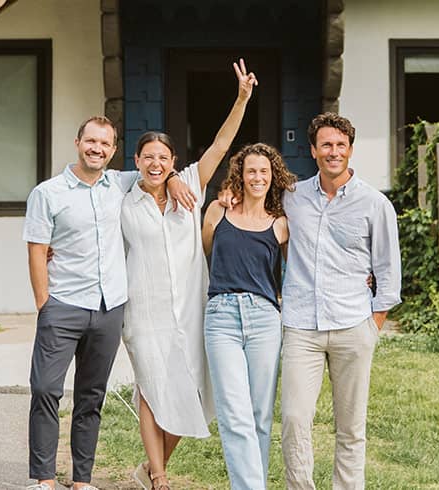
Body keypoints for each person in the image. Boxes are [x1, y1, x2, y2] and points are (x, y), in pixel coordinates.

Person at [22, 116, 196, 490]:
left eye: (105, 144)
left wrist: (176, 177)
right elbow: (37, 252)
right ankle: (44, 479)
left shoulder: (120, 183)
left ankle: (82, 480)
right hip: (63, 305)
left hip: (108, 308)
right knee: (46, 389)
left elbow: (158, 167)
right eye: (91, 141)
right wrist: (44, 303)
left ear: (115, 150)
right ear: (78, 142)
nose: (97, 149)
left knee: (90, 396)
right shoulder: (47, 193)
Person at [121, 60, 257, 490]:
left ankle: (147, 469)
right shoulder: (122, 198)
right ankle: (159, 476)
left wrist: (241, 99)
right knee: (151, 388)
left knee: (196, 393)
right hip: (144, 311)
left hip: (193, 308)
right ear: (137, 161)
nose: (156, 163)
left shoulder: (193, 186)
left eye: (165, 158)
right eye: (149, 157)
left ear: (174, 161)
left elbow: (221, 143)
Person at [280, 112, 402, 489]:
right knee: (295, 419)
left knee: (351, 427)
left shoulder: (374, 204)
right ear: (313, 150)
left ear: (350, 150)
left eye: (340, 145)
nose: (333, 152)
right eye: (326, 145)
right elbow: (252, 208)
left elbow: (388, 270)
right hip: (301, 326)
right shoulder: (292, 197)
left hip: (353, 325)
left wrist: (372, 325)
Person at [201, 143, 296, 489]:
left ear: (274, 178)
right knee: (234, 414)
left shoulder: (281, 225)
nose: (258, 177)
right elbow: (199, 256)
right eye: (251, 170)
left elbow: (304, 265)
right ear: (240, 175)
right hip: (221, 317)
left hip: (264, 319)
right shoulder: (216, 212)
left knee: (259, 416)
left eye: (264, 172)